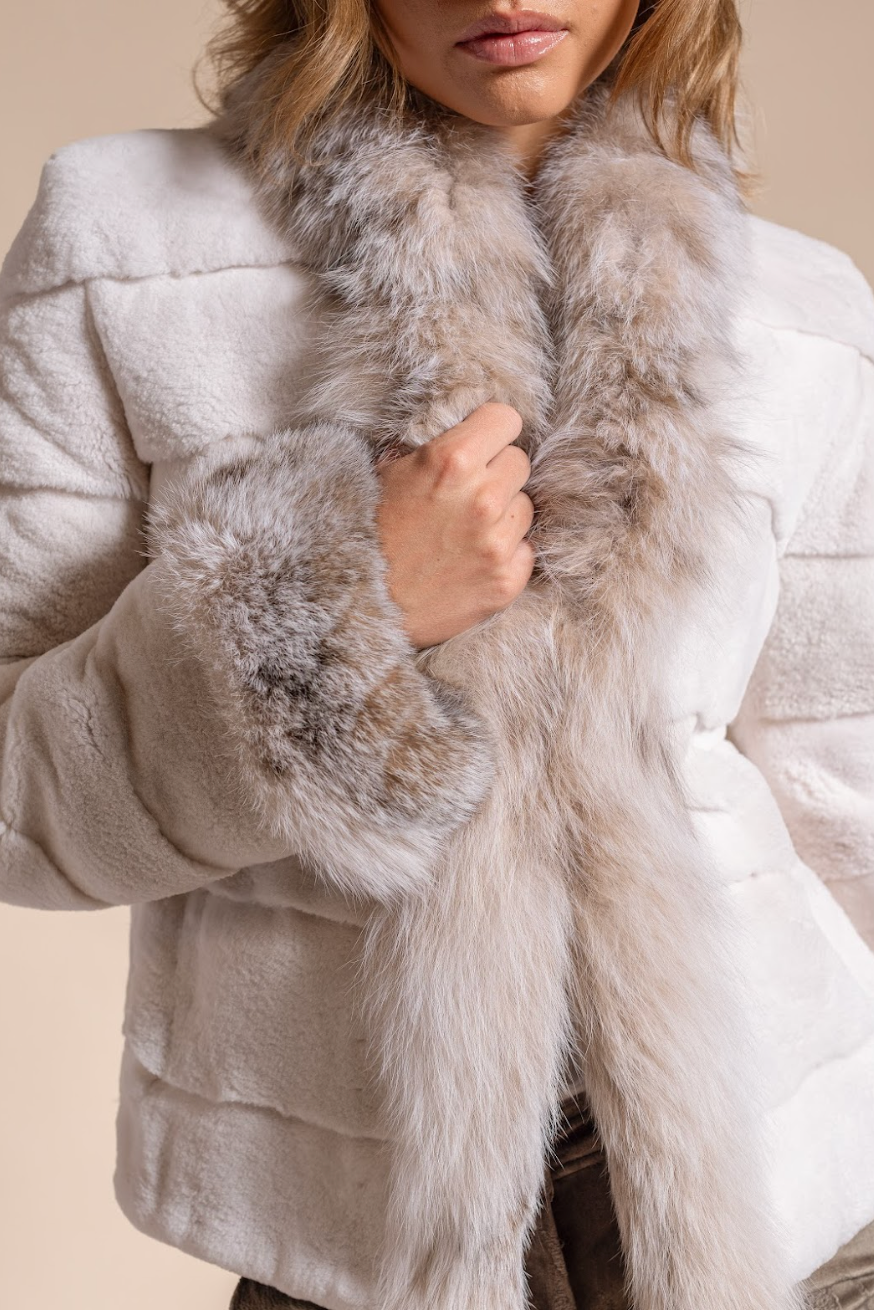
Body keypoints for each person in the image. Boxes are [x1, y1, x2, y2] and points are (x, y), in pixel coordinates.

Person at [1, 1, 873, 1307]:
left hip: (781, 1194)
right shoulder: (123, 237)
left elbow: (840, 777)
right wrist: (328, 604)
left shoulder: (804, 306)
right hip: (363, 1229)